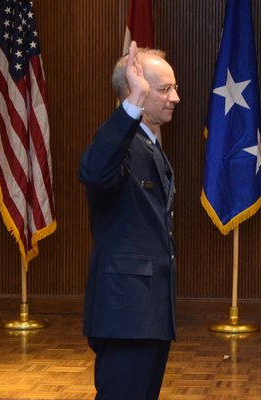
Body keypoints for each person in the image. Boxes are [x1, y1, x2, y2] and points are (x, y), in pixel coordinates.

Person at [79, 41, 180, 400]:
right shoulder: (120, 142)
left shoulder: (149, 144)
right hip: (126, 314)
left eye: (175, 87)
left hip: (147, 313)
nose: (175, 98)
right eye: (165, 89)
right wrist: (131, 105)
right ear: (133, 89)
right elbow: (93, 170)